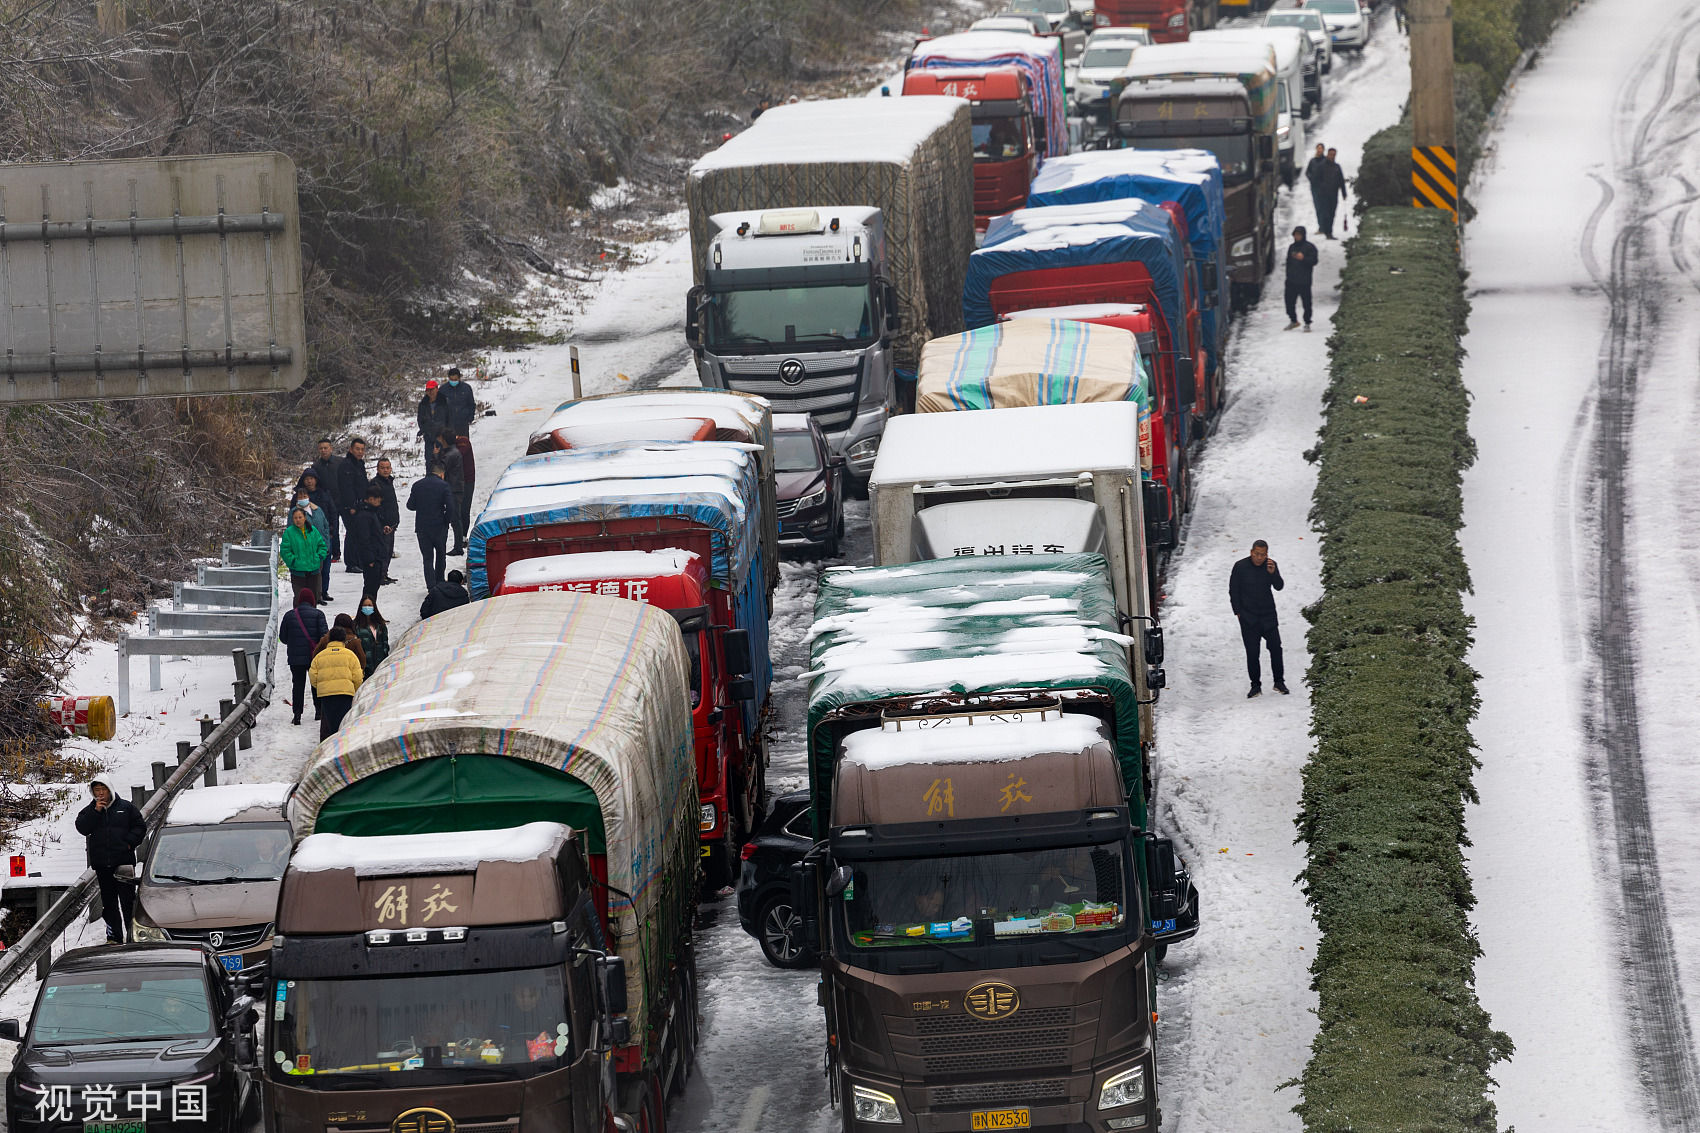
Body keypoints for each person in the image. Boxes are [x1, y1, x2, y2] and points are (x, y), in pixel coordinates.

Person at [74, 780, 146, 943]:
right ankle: (114, 936)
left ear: (110, 790)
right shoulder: (90, 810)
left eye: (103, 789)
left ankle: (133, 934)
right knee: (109, 902)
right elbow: (82, 828)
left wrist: (129, 842)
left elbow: (140, 827)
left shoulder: (126, 808)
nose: (100, 793)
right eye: (97, 790)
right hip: (102, 864)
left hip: (124, 861)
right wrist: (96, 811)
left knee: (128, 900)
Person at [1229, 539, 1287, 698]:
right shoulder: (1240, 567)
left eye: (1262, 554)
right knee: (1253, 653)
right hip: (1248, 618)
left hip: (1268, 615)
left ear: (1267, 554)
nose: (1259, 558)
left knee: (1276, 648)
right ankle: (1255, 685)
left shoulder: (1270, 565)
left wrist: (1273, 573)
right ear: (1251, 552)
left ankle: (1279, 682)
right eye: (1256, 554)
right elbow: (1234, 591)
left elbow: (1279, 586)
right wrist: (1238, 612)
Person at [279, 586, 329, 725]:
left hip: (295, 659)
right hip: (315, 657)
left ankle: (297, 715)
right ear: (312, 600)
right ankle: (319, 711)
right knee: (316, 684)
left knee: (298, 685)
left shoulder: (289, 616)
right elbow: (325, 636)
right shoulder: (319, 614)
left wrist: (294, 642)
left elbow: (283, 638)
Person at [308, 627, 364, 739]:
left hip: (326, 695)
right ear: (343, 639)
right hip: (346, 694)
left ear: (329, 639)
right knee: (344, 723)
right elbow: (357, 677)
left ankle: (331, 746)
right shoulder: (350, 655)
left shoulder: (320, 656)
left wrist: (321, 687)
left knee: (330, 725)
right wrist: (354, 690)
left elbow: (313, 676)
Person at [407, 463, 456, 586]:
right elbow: (450, 507)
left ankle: (431, 586)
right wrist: (446, 521)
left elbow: (410, 506)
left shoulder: (417, 485)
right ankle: (439, 581)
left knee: (427, 558)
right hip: (439, 526)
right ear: (441, 474)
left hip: (422, 527)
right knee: (440, 555)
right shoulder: (444, 486)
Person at [298, 439, 343, 562]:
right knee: (328, 526)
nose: (323, 450)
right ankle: (333, 552)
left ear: (331, 448)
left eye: (326, 448)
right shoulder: (316, 466)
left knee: (339, 526)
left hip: (340, 500)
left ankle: (341, 552)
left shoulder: (340, 462)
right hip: (324, 501)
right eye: (321, 448)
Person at [297, 469, 339, 600]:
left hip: (325, 537)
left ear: (316, 480)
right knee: (312, 570)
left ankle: (323, 591)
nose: (309, 481)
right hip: (306, 540)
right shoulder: (298, 497)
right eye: (306, 479)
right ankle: (312, 594)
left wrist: (331, 532)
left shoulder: (324, 494)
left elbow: (332, 513)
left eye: (312, 478)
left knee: (325, 568)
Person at [345, 484, 389, 602]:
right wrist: (369, 559)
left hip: (376, 556)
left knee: (373, 588)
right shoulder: (364, 515)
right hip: (371, 558)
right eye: (378, 498)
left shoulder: (372, 513)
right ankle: (365, 614)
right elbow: (363, 539)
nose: (380, 501)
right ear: (370, 499)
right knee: (370, 588)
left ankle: (372, 614)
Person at [281, 506, 329, 604]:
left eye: (300, 517)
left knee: (313, 598)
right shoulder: (289, 532)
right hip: (298, 572)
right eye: (295, 518)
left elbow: (322, 546)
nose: (298, 520)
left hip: (314, 570)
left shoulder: (313, 530)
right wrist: (293, 561)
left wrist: (319, 557)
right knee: (299, 598)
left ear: (305, 517)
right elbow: (285, 551)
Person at [336, 438, 371, 573]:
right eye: (357, 449)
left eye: (362, 449)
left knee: (359, 533)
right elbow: (346, 488)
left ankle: (358, 561)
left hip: (361, 504)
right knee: (352, 533)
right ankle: (351, 563)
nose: (360, 452)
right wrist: (352, 505)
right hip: (349, 506)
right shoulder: (346, 465)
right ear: (351, 449)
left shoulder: (359, 464)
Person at [436, 430, 468, 555]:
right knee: (455, 518)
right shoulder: (451, 453)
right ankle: (458, 545)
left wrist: (435, 455)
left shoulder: (450, 455)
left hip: (453, 489)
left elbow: (439, 468)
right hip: (454, 488)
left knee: (455, 518)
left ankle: (458, 547)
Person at [1284, 226, 1319, 331]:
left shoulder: (1310, 247)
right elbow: (1288, 262)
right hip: (1291, 280)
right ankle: (1293, 320)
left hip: (1304, 280)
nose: (1297, 237)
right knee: (1289, 302)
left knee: (1306, 303)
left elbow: (1314, 261)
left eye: (1299, 235)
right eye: (1295, 235)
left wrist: (1303, 258)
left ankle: (1307, 322)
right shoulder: (1291, 247)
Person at [373, 458, 400, 584]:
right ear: (378, 469)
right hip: (382, 525)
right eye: (382, 468)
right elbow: (377, 506)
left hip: (392, 523)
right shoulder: (376, 484)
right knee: (382, 552)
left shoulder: (389, 482)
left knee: (389, 551)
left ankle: (384, 573)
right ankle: (379, 576)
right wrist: (384, 523)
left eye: (388, 467)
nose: (385, 470)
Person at [1312, 147, 1349, 239]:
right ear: (1327, 154)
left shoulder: (1337, 167)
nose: (1332, 156)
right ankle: (1327, 231)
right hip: (1323, 195)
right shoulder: (1321, 166)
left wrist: (1344, 193)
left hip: (1333, 194)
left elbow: (1341, 181)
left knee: (1332, 213)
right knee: (1326, 213)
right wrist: (1319, 190)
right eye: (1331, 154)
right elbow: (1315, 179)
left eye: (1334, 155)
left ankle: (1328, 230)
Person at [354, 596, 390, 677]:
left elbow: (385, 643)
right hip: (365, 668)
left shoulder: (380, 625)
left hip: (380, 665)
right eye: (365, 605)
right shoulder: (356, 626)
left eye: (370, 605)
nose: (367, 608)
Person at [417, 379, 448, 467]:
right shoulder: (423, 404)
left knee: (443, 460)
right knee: (430, 460)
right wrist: (424, 430)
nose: (430, 392)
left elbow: (449, 418)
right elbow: (420, 420)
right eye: (428, 390)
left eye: (432, 389)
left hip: (443, 436)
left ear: (437, 389)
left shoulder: (444, 402)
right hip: (429, 437)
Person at [454, 432, 477, 542]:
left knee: (464, 510)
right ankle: (459, 538)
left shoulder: (463, 442)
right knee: (457, 511)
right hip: (456, 481)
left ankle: (462, 537)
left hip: (467, 481)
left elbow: (459, 454)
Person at [442, 367, 477, 439]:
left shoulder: (466, 388)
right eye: (451, 379)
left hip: (462, 423)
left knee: (463, 446)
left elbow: (471, 404)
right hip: (448, 425)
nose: (453, 381)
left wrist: (470, 417)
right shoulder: (443, 389)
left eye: (455, 379)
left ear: (459, 378)